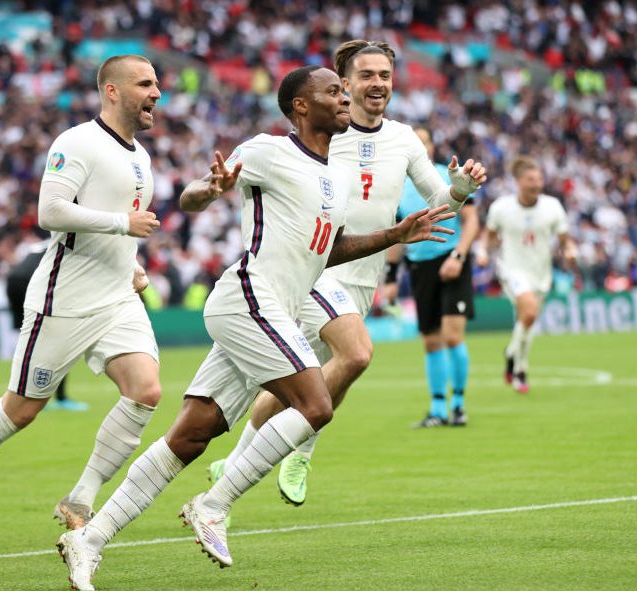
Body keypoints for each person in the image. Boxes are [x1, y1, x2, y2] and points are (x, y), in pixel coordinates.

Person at [54, 64, 456, 591]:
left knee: (192, 435)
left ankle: (90, 540)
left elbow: (328, 250)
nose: (343, 99)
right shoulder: (269, 151)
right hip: (249, 298)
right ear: (301, 107)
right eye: (332, 91)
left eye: (344, 90)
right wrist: (210, 188)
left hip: (274, 312)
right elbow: (194, 195)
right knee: (316, 406)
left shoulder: (333, 174)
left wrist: (393, 234)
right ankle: (214, 504)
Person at [208, 39, 486, 507]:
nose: (377, 83)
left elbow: (436, 204)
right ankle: (300, 450)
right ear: (345, 82)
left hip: (363, 276)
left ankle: (234, 464)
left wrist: (457, 192)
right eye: (366, 75)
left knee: (304, 379)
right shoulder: (324, 134)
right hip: (315, 270)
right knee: (351, 357)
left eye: (385, 75)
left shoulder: (403, 139)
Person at [0, 54, 163, 554]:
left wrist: (130, 261)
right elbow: (51, 212)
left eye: (157, 83)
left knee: (146, 390)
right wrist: (121, 227)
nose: (156, 93)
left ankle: (81, 498)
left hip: (116, 296)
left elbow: (120, 222)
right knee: (21, 411)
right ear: (111, 91)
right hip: (63, 298)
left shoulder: (141, 155)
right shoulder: (77, 142)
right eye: (145, 84)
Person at [384, 127, 480, 428]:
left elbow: (472, 219)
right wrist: (390, 276)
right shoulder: (395, 186)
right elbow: (398, 234)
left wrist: (459, 256)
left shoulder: (447, 175)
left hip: (452, 260)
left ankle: (459, 405)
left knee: (452, 336)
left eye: (423, 142)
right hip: (420, 266)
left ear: (429, 146)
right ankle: (438, 410)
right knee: (431, 342)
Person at [476, 156, 577, 394]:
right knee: (529, 311)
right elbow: (489, 236)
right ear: (519, 181)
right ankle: (518, 366)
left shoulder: (552, 206)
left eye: (540, 178)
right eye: (531, 179)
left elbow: (565, 241)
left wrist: (571, 252)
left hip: (541, 273)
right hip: (512, 270)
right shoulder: (502, 207)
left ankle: (515, 361)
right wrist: (482, 252)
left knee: (528, 322)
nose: (537, 183)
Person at [5, 238, 87, 411]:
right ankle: (60, 398)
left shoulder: (45, 242)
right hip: (32, 281)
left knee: (30, 340)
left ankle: (21, 393)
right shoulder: (72, 242)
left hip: (13, 281)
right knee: (58, 338)